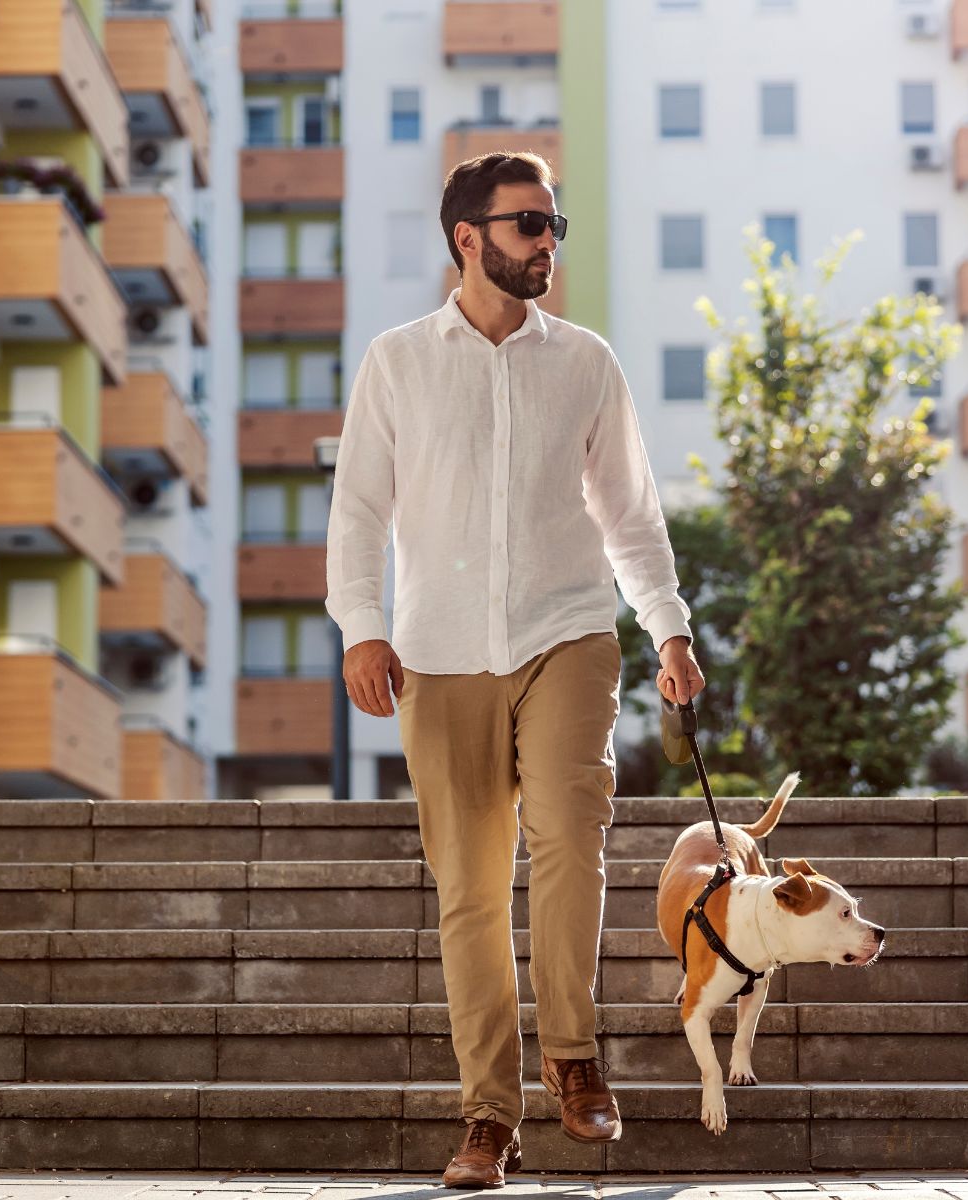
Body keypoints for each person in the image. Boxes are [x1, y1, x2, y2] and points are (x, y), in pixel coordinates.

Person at [323, 150, 706, 1189]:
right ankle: (488, 1116)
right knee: (471, 892)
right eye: (529, 225)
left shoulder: (584, 362)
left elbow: (630, 513)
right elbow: (359, 511)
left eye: (553, 226)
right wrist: (361, 625)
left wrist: (668, 629)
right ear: (468, 238)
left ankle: (574, 1057)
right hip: (438, 654)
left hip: (567, 635)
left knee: (573, 836)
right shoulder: (398, 362)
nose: (547, 243)